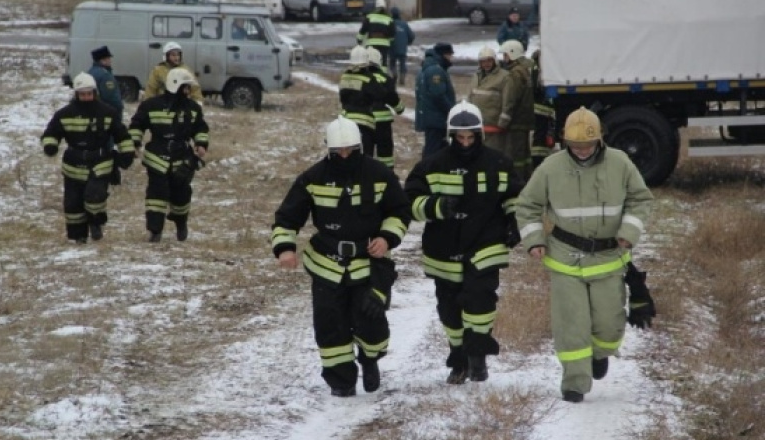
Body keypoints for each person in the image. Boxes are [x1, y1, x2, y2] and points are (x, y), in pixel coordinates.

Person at [515, 106, 654, 403]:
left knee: (609, 326)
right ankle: (574, 384)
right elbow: (527, 205)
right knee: (571, 325)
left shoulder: (620, 162)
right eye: (575, 145)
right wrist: (534, 240)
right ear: (565, 141)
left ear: (600, 139)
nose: (581, 150)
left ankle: (600, 353)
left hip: (608, 257)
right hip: (565, 258)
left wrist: (629, 232)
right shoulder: (550, 168)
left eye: (587, 145)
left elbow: (640, 199)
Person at [271, 116, 411, 397]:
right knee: (329, 325)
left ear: (360, 147)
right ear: (329, 149)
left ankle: (370, 359)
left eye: (350, 150)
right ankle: (341, 382)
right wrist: (285, 248)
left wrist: (386, 238)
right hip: (326, 264)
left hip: (368, 264)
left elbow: (399, 211)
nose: (345, 156)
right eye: (338, 152)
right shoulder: (313, 177)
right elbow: (287, 217)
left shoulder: (379, 174)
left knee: (371, 321)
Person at [404, 100, 523, 385]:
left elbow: (515, 197)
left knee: (480, 299)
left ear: (479, 135)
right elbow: (409, 202)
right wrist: (436, 206)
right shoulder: (432, 165)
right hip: (444, 249)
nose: (466, 143)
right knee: (449, 310)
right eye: (461, 137)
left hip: (486, 244)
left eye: (471, 137)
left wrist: (514, 221)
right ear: (451, 135)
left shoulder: (499, 164)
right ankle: (459, 357)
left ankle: (477, 356)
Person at [41, 72, 135, 244]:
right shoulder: (64, 114)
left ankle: (95, 223)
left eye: (89, 94)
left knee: (95, 196)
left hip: (100, 163)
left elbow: (122, 135)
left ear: (94, 93)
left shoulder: (108, 112)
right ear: (76, 94)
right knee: (73, 204)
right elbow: (51, 133)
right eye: (82, 94)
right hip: (73, 165)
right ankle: (79, 236)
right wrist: (50, 145)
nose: (86, 97)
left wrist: (127, 153)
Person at [128, 68, 210, 243]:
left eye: (188, 87)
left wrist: (201, 143)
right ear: (174, 86)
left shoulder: (193, 108)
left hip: (182, 158)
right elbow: (137, 125)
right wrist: (135, 143)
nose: (188, 91)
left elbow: (200, 128)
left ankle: (181, 222)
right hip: (157, 157)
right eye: (185, 87)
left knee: (182, 194)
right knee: (156, 194)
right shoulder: (151, 105)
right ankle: (155, 230)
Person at [498, 39, 535, 179]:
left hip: (516, 121)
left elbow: (510, 98)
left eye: (505, 55)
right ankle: (527, 176)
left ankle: (518, 180)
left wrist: (504, 121)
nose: (504, 59)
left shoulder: (515, 74)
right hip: (524, 120)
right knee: (525, 154)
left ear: (512, 54)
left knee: (515, 155)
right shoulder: (525, 70)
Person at [339, 45, 386, 155]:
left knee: (349, 153)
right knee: (366, 155)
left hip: (347, 120)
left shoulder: (345, 76)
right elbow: (381, 94)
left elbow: (342, 97)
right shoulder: (368, 77)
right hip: (365, 122)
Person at [415, 42, 456, 160]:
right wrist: (451, 111)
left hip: (432, 117)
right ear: (443, 55)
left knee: (437, 148)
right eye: (450, 55)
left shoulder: (429, 67)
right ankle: (427, 169)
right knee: (433, 150)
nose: (451, 58)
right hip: (436, 119)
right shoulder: (435, 70)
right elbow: (438, 95)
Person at [366, 46, 405, 169]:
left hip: (365, 122)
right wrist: (400, 109)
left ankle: (365, 176)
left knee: (365, 154)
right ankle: (387, 175)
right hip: (383, 124)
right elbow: (393, 100)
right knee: (385, 155)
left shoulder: (360, 78)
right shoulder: (386, 78)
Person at [468, 46, 510, 153]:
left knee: (493, 153)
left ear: (494, 61)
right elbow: (470, 96)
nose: (486, 64)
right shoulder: (476, 76)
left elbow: (508, 100)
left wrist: (503, 121)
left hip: (495, 126)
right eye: (483, 61)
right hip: (478, 124)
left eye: (489, 61)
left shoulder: (504, 77)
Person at [530, 49, 556, 169]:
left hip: (540, 110)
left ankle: (538, 163)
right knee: (540, 138)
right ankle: (539, 163)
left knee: (540, 138)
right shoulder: (540, 71)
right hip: (542, 110)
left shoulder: (536, 69)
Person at [86, 45, 124, 122]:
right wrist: (119, 108)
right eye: (108, 58)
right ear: (102, 60)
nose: (110, 60)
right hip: (108, 113)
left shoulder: (90, 72)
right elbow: (111, 97)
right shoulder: (105, 75)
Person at [356, 0, 395, 69]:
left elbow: (363, 31)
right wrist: (389, 41)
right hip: (384, 45)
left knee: (371, 62)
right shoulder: (389, 19)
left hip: (372, 44)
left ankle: (372, 74)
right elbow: (392, 35)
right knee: (383, 63)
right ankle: (383, 75)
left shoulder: (369, 17)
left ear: (375, 7)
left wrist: (359, 40)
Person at [388, 6, 414, 86]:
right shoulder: (404, 24)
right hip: (402, 47)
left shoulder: (389, 23)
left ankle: (394, 73)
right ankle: (402, 77)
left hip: (392, 47)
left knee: (392, 62)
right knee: (402, 62)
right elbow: (411, 35)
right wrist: (408, 42)